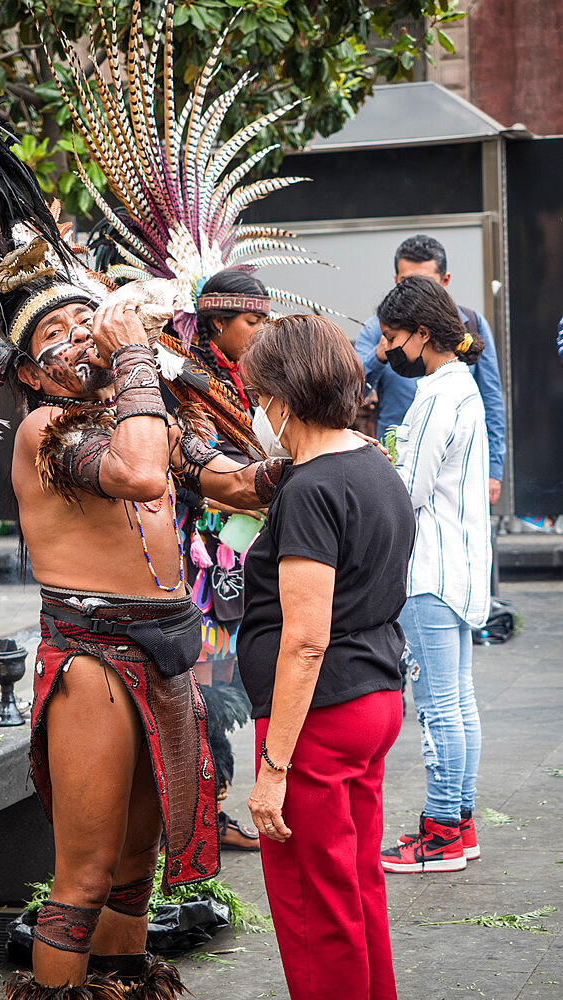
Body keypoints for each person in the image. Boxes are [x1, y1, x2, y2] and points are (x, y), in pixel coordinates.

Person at [7, 277, 291, 998]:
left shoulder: (145, 418)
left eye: (86, 318)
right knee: (87, 870)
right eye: (59, 332)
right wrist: (137, 355)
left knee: (137, 865)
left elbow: (238, 483)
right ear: (30, 373)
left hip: (163, 655)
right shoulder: (46, 430)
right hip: (92, 660)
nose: (82, 334)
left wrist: (325, 451)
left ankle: (122, 986)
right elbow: (137, 474)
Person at [236, 314, 415, 1000]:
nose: (257, 410)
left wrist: (273, 768)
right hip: (372, 699)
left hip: (320, 717)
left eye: (259, 396)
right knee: (358, 883)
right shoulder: (372, 463)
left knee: (316, 907)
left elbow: (305, 638)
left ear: (282, 399)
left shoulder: (313, 491)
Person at [376, 276, 491, 874]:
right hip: (461, 567)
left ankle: (442, 832)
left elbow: (407, 491)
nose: (384, 351)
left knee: (439, 705)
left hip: (428, 575)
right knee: (458, 701)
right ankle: (459, 823)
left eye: (392, 338)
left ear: (423, 334)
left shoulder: (435, 398)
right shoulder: (462, 389)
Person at [182, 267, 271, 853]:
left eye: (265, 318)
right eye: (251, 320)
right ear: (217, 324)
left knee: (231, 677)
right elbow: (188, 468)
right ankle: (204, 818)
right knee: (207, 686)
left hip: (242, 549)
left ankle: (213, 813)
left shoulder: (246, 374)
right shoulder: (186, 381)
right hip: (202, 559)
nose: (262, 330)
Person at [355, 234, 506, 507]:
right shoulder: (378, 329)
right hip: (393, 463)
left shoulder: (471, 326)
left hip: (454, 471)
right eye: (405, 282)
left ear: (444, 281)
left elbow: (492, 399)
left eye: (423, 282)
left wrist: (494, 469)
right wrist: (379, 356)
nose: (414, 290)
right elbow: (347, 392)